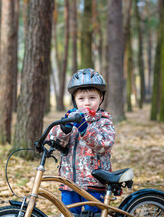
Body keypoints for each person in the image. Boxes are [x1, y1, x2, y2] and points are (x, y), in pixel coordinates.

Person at [48, 68, 115, 216]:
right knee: (68, 213)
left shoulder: (104, 121)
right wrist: (63, 129)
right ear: (75, 100)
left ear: (101, 99)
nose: (87, 103)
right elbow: (55, 141)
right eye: (81, 99)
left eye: (92, 98)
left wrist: (85, 129)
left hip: (94, 182)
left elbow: (104, 144)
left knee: (93, 214)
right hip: (68, 182)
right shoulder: (71, 118)